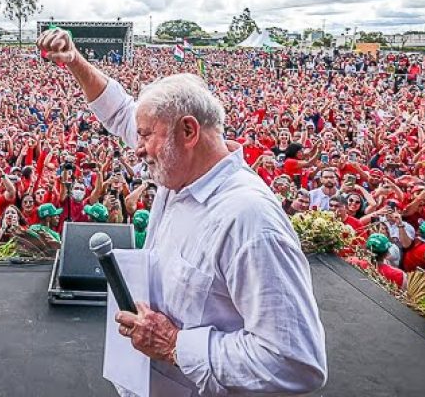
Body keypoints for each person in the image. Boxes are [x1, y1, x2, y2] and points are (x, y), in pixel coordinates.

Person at [37, 27, 326, 395]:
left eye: (145, 136)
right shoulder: (183, 169)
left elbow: (295, 362)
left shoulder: (249, 221)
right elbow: (121, 111)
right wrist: (75, 62)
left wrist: (175, 345)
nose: (136, 148)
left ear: (188, 131)